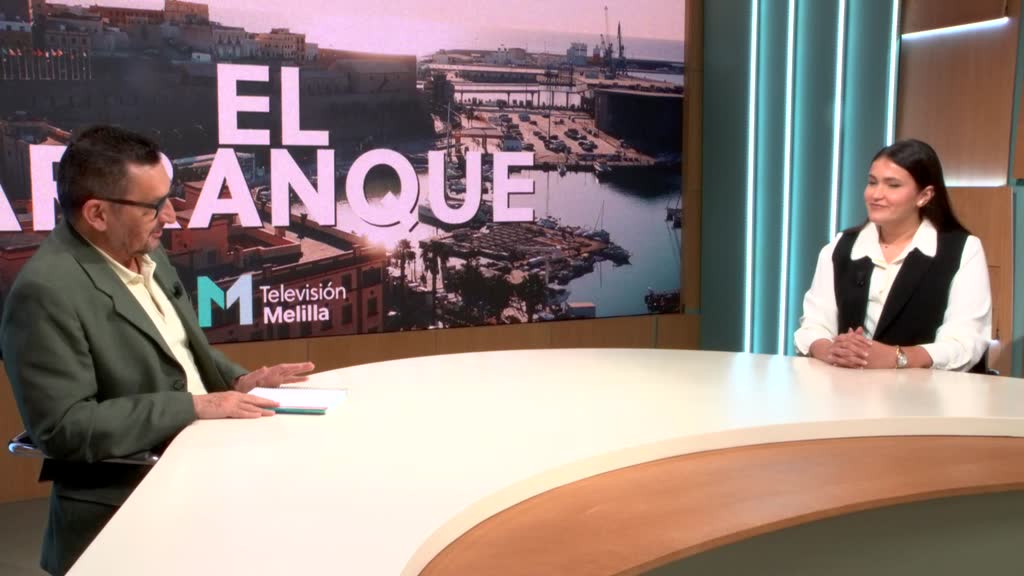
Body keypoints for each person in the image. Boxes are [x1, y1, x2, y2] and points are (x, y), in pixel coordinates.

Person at [0, 126, 315, 575]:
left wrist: (239, 380)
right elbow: (64, 428)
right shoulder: (44, 293)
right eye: (154, 205)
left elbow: (178, 350)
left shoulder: (147, 251)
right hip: (123, 523)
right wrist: (192, 406)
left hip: (203, 487)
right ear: (97, 213)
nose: (171, 215)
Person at [794, 139, 992, 372]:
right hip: (848, 388)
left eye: (893, 185)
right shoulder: (841, 247)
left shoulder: (962, 250)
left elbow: (965, 342)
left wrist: (897, 357)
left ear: (924, 195)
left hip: (927, 391)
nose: (876, 194)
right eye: (872, 182)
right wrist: (831, 350)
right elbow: (813, 325)